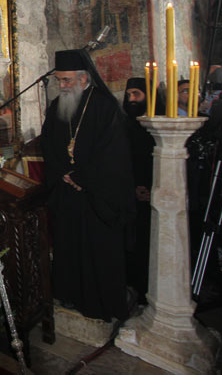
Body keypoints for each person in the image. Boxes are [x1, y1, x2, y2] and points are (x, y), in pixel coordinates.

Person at [41, 49, 134, 322]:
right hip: (68, 194)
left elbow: (113, 154)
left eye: (67, 80)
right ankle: (70, 296)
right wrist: (64, 173)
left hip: (96, 197)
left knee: (98, 253)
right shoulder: (57, 107)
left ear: (84, 79)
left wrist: (83, 178)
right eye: (59, 80)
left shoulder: (105, 107)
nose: (62, 86)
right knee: (69, 249)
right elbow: (49, 144)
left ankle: (99, 305)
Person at [122, 77, 154, 304]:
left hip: (153, 191)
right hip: (129, 192)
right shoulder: (123, 124)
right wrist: (132, 187)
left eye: (137, 94)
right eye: (129, 95)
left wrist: (150, 186)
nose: (131, 99)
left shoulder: (158, 123)